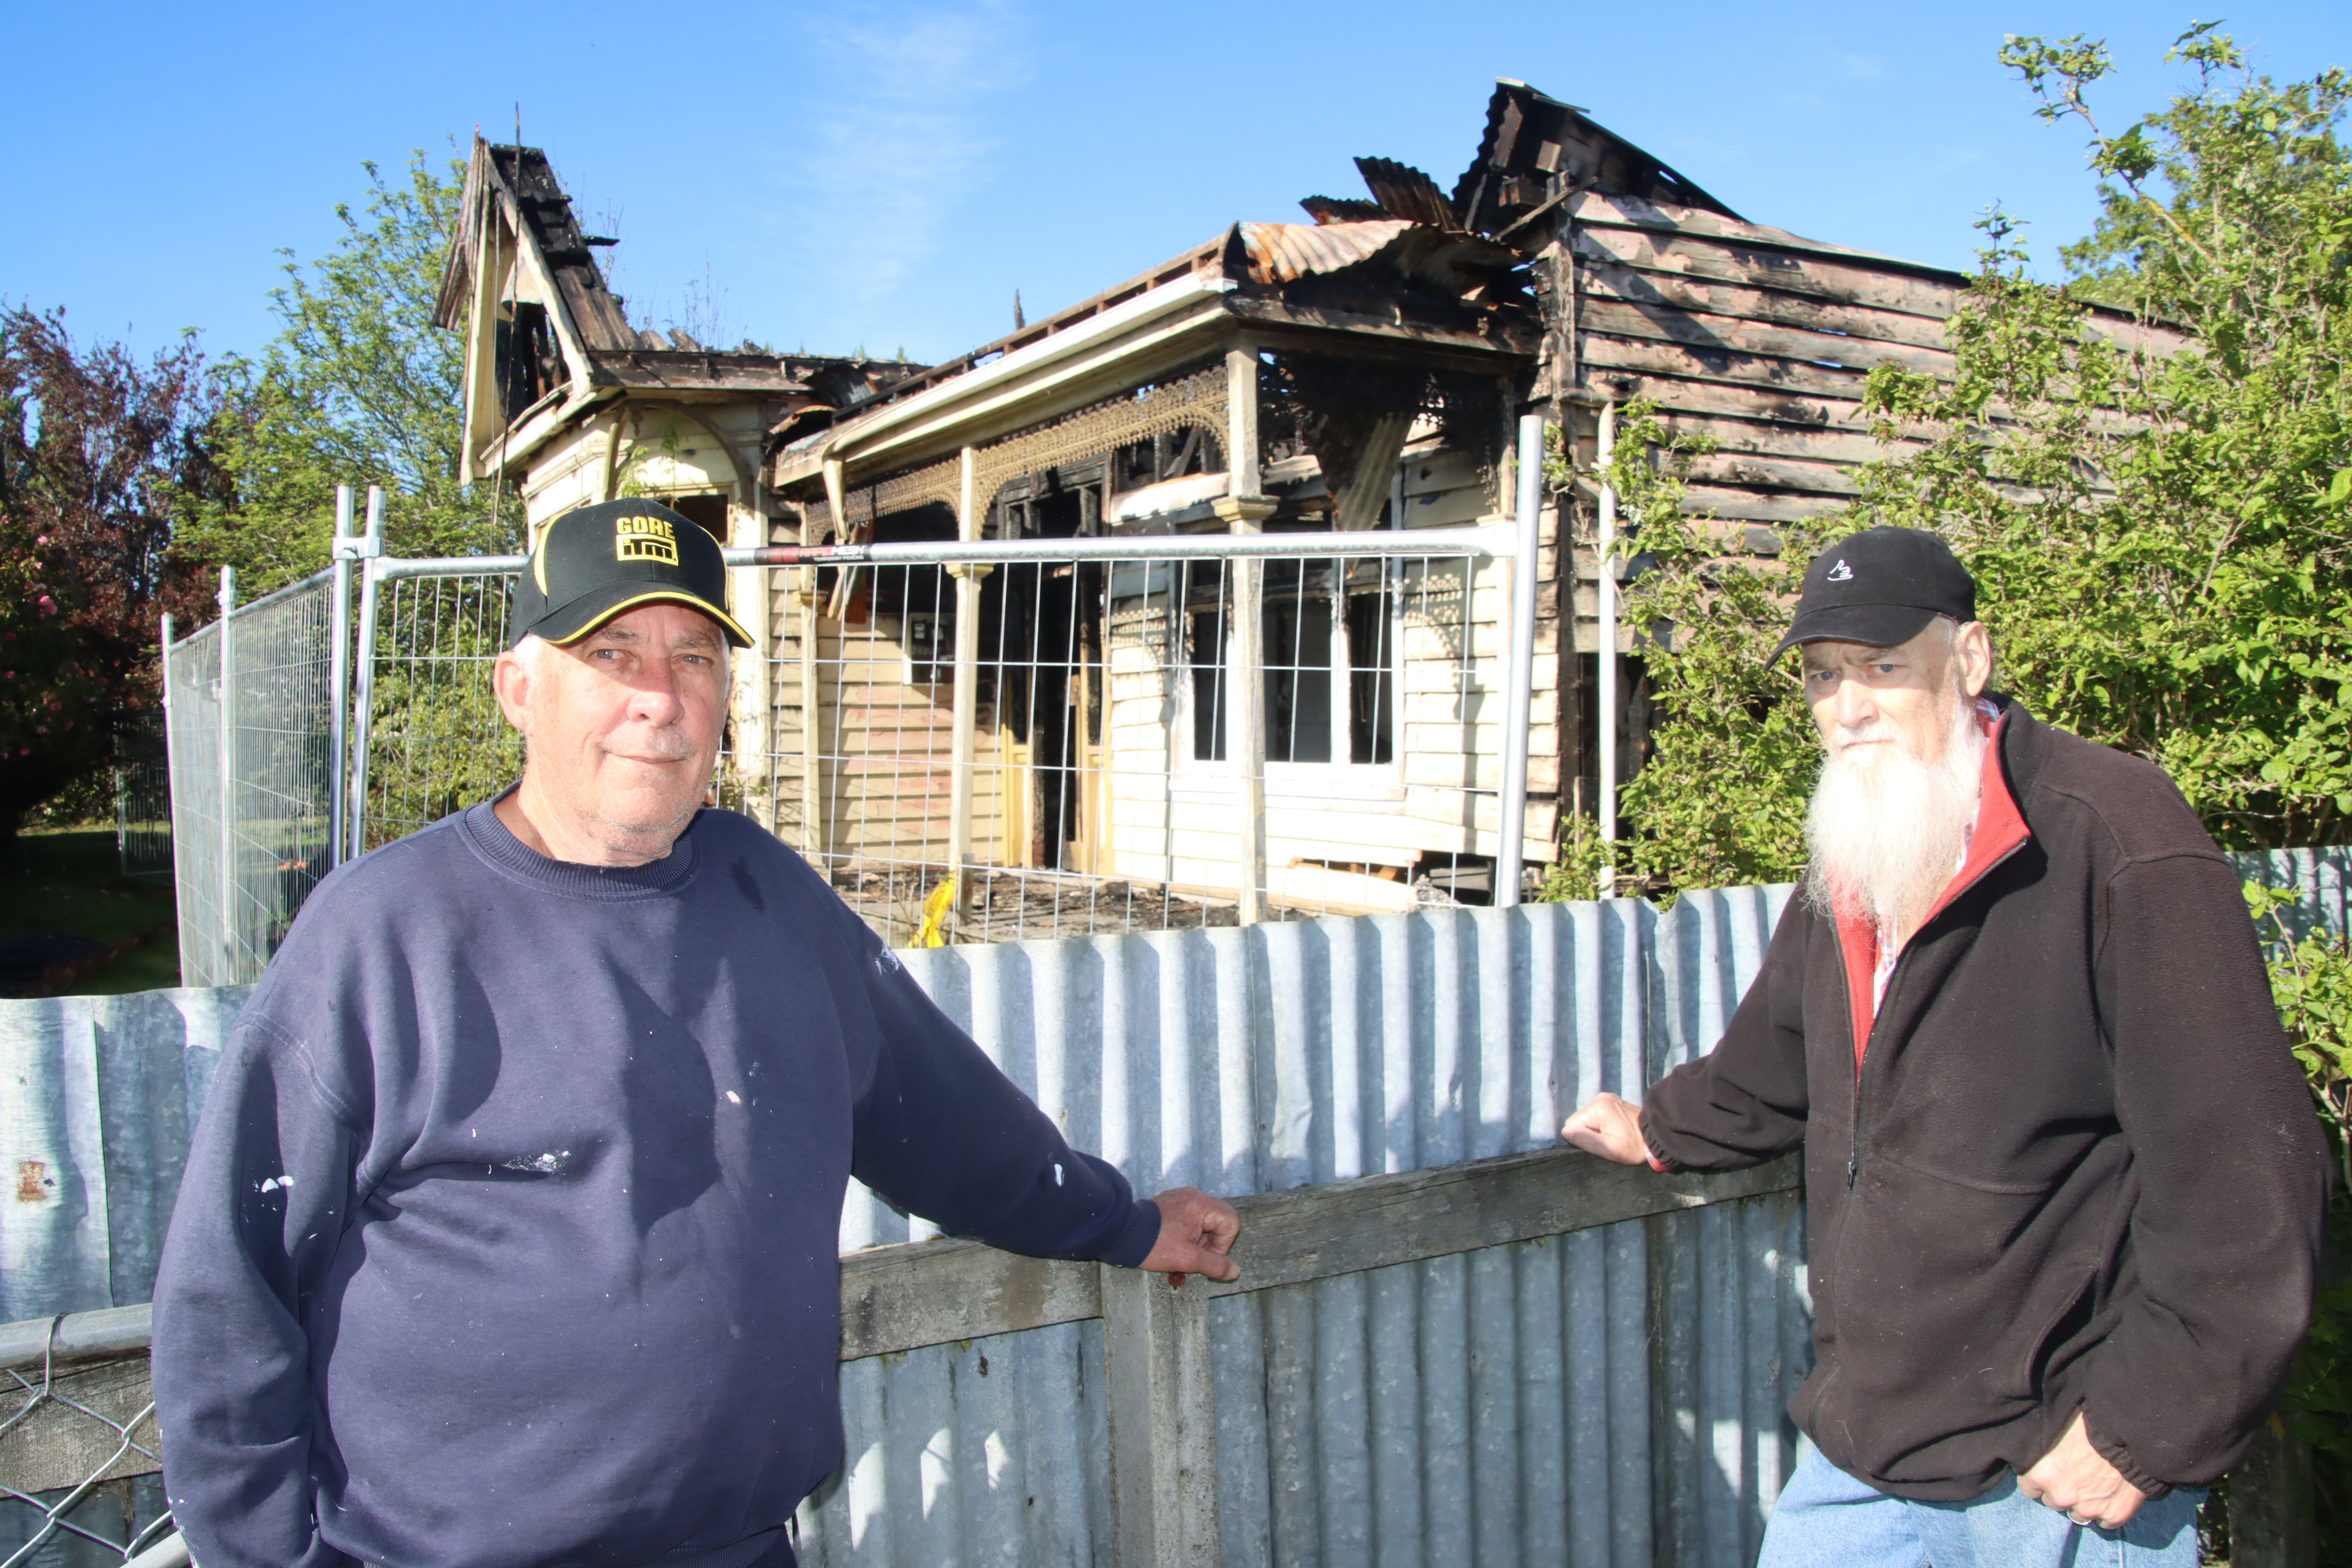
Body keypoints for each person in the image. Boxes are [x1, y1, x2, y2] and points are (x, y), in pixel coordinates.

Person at [150, 499, 1242, 1568]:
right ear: (518, 688)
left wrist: (1121, 1222)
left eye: (697, 658)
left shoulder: (769, 898)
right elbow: (228, 1288)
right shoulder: (385, 933)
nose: (661, 701)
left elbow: (942, 1121)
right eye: (612, 654)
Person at [1561, 527, 2326, 1566]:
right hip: (1867, 1443)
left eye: (1883, 667)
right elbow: (1779, 1059)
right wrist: (1662, 1128)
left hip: (2060, 1462)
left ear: (1969, 660)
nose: (1848, 706)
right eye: (1824, 677)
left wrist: (2149, 1423)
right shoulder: (1863, 838)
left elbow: (2246, 1164)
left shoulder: (2111, 834)